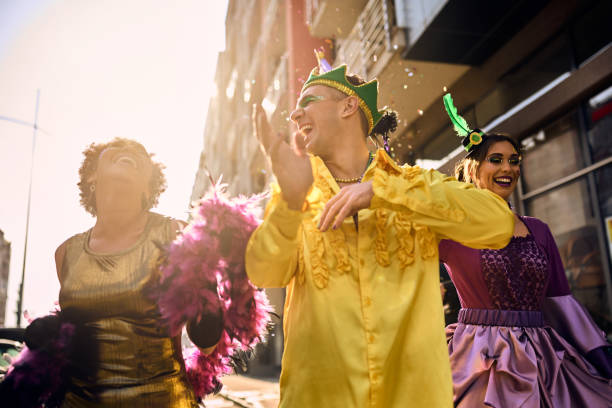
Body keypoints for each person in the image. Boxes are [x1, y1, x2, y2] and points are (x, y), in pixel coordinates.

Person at [246, 61, 516, 407]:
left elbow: (498, 223)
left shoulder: (414, 184)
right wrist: (290, 202)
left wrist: (383, 192)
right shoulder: (297, 192)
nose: (295, 114)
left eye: (309, 101)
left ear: (348, 106)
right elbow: (263, 272)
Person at [439, 94, 612, 407]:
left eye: (514, 160)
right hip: (479, 361)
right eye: (496, 159)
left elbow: (561, 301)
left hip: (544, 359)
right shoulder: (451, 228)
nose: (508, 167)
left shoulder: (539, 229)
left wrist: (598, 354)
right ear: (474, 168)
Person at [53, 138, 223, 407]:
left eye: (138, 153)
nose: (129, 151)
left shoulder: (176, 236)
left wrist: (206, 287)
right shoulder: (66, 254)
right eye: (117, 148)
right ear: (92, 175)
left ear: (148, 186)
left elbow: (207, 343)